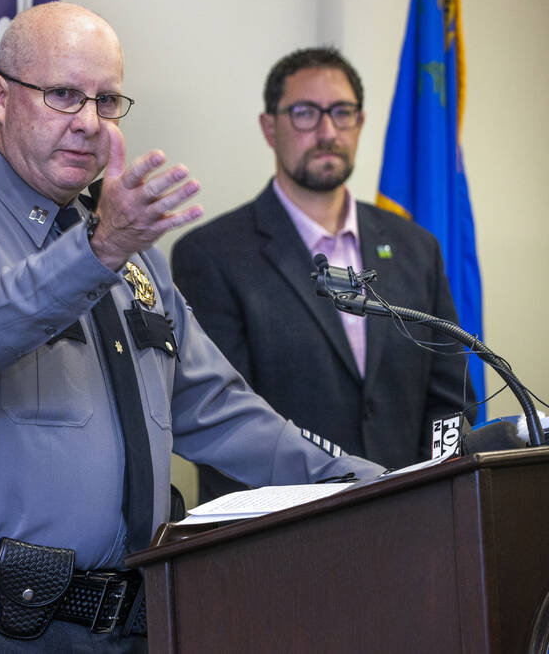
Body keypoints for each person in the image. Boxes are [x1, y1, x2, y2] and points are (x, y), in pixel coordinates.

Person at [0, 5, 382, 652]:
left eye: (106, 101)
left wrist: (372, 485)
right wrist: (101, 249)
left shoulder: (125, 252)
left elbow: (220, 411)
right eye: (62, 95)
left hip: (128, 624)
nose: (87, 123)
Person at [171, 46, 472, 503]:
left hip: (415, 522)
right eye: (305, 113)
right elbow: (221, 420)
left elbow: (450, 402)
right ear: (269, 127)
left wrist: (432, 495)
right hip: (281, 537)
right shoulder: (210, 255)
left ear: (360, 122)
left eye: (342, 112)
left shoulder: (417, 248)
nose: (327, 131)